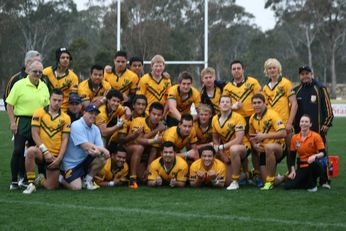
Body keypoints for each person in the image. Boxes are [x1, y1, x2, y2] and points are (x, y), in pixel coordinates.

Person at [6, 61, 50, 190]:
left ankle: (30, 179)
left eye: (40, 72)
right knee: (18, 151)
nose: (37, 74)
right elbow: (9, 104)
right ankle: (14, 181)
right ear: (28, 71)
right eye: (34, 71)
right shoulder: (19, 85)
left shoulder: (44, 86)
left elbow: (46, 107)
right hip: (22, 121)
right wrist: (13, 122)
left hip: (38, 122)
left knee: (35, 151)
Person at [22, 89, 71, 194]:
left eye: (59, 100)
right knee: (30, 151)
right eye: (54, 100)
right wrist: (45, 151)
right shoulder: (39, 112)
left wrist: (59, 159)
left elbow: (65, 139)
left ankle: (40, 179)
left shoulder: (66, 118)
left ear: (62, 101)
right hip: (42, 152)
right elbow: (34, 133)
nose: (57, 103)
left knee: (51, 187)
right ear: (49, 99)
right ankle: (30, 184)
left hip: (55, 156)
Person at [294, 65, 334, 188]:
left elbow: (328, 109)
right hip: (301, 131)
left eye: (307, 73)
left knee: (321, 154)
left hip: (318, 130)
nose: (305, 76)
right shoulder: (296, 91)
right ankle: (302, 176)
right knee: (301, 153)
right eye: (302, 74)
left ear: (312, 74)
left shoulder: (320, 88)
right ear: (300, 76)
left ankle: (324, 180)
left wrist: (327, 123)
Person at [222, 60, 262, 184]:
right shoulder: (227, 87)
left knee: (255, 147)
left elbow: (261, 99)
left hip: (251, 119)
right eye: (234, 69)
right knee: (240, 147)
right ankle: (245, 174)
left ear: (243, 70)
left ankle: (257, 174)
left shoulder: (253, 82)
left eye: (239, 68)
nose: (236, 70)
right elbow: (224, 104)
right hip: (236, 121)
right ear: (231, 71)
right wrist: (232, 107)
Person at [60, 104, 110, 190]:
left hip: (84, 160)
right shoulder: (76, 125)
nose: (93, 116)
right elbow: (85, 145)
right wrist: (102, 150)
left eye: (95, 114)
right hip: (71, 164)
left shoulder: (96, 128)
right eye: (91, 113)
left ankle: (87, 181)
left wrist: (99, 150)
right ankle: (59, 178)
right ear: (84, 113)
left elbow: (98, 148)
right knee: (76, 187)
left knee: (101, 159)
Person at [262, 58, 298, 170]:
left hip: (285, 124)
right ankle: (270, 177)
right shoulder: (265, 87)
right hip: (272, 126)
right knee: (272, 151)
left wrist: (289, 123)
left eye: (274, 68)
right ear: (266, 71)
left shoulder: (286, 83)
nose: (272, 70)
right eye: (269, 68)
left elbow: (294, 104)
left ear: (279, 69)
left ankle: (291, 174)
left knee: (290, 150)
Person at [212, 95, 251, 190]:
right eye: (222, 102)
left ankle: (235, 181)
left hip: (242, 146)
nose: (225, 104)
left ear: (231, 105)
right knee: (226, 182)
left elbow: (238, 139)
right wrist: (222, 155)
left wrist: (221, 147)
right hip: (225, 149)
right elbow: (215, 139)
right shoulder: (214, 119)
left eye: (227, 102)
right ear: (218, 105)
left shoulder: (238, 117)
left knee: (234, 149)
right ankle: (245, 174)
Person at [249, 93, 287, 190]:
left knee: (269, 147)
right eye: (254, 103)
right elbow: (251, 136)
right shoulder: (252, 118)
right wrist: (254, 145)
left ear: (264, 103)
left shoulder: (273, 114)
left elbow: (283, 133)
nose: (256, 105)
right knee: (264, 181)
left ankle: (270, 181)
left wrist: (264, 136)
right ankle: (283, 178)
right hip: (263, 151)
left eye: (259, 102)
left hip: (278, 147)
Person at [126, 102, 166, 189]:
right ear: (149, 113)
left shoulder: (161, 127)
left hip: (143, 157)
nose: (156, 117)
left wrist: (148, 168)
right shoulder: (138, 120)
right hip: (128, 151)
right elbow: (136, 141)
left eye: (159, 115)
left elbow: (154, 149)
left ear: (162, 116)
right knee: (139, 148)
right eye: (154, 114)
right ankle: (132, 179)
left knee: (143, 179)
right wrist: (155, 135)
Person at [284, 115, 325, 192]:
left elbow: (323, 153)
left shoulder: (316, 136)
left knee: (312, 163)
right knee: (287, 185)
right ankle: (308, 183)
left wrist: (315, 156)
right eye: (302, 121)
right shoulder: (295, 138)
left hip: (315, 165)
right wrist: (292, 170)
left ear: (310, 124)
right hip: (302, 166)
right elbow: (292, 156)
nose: (304, 123)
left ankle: (312, 186)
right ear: (299, 124)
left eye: (306, 122)